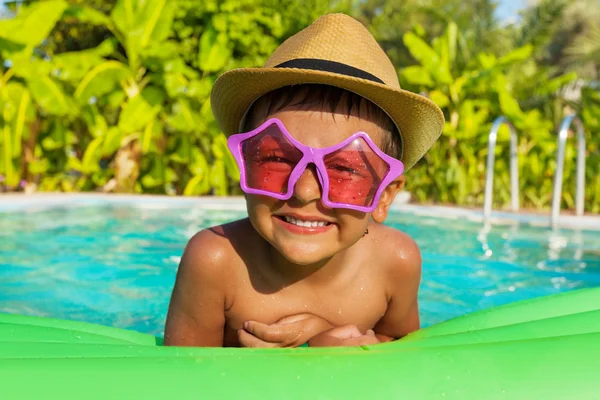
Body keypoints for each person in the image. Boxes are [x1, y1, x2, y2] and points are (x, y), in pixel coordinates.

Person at [164, 13, 444, 347]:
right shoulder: (216, 262)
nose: (304, 190)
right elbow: (183, 379)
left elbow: (402, 350)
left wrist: (327, 338)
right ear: (245, 165)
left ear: (384, 195)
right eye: (278, 159)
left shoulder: (396, 263)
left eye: (344, 169)